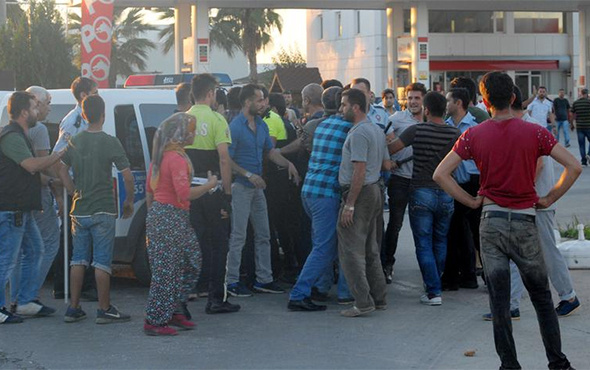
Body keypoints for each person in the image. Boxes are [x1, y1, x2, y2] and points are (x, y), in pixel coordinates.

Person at [433, 71, 580, 370]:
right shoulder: (534, 132)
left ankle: (509, 365)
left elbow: (440, 174)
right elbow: (574, 166)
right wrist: (549, 198)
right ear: (513, 98)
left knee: (500, 302)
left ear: (484, 101)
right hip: (525, 220)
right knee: (541, 298)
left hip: (492, 222)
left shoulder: (473, 134)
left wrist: (472, 201)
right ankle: (558, 363)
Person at [481, 85, 581, 322]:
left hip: (536, 201)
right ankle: (512, 305)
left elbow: (538, 165)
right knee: (514, 251)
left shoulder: (531, 128)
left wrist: (525, 192)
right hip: (526, 201)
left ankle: (568, 295)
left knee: (546, 250)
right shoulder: (520, 126)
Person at [59, 95, 135, 324]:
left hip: (79, 209)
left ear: (83, 115)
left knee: (78, 260)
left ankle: (73, 308)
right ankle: (104, 309)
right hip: (103, 209)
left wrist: (73, 191)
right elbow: (128, 176)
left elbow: (61, 169)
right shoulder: (111, 142)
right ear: (103, 115)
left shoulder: (75, 141)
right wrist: (128, 201)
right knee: (102, 262)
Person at [144, 113, 215, 336]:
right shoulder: (175, 159)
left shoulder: (166, 156)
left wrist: (153, 217)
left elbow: (150, 190)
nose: (194, 133)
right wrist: (210, 185)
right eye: (191, 129)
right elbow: (183, 194)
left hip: (167, 216)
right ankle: (154, 320)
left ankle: (173, 308)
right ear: (181, 133)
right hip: (170, 216)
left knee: (191, 261)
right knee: (166, 271)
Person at [226, 84, 300, 297]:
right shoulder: (235, 127)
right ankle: (231, 282)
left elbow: (270, 152)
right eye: (259, 100)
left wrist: (288, 164)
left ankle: (263, 279)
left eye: (264, 100)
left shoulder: (261, 124)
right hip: (241, 187)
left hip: (258, 188)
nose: (264, 104)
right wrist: (248, 175)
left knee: (264, 235)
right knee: (238, 236)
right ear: (247, 102)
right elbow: (226, 160)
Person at [388, 92, 460, 305]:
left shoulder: (416, 130)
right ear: (444, 110)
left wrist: (388, 139)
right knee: (440, 240)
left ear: (426, 110)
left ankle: (433, 290)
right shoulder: (455, 133)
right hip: (447, 191)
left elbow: (393, 149)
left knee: (423, 243)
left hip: (421, 191)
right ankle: (434, 284)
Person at [0, 91, 64, 324]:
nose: (39, 111)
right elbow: (31, 166)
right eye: (34, 107)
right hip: (11, 209)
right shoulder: (11, 136)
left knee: (36, 250)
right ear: (24, 112)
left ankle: (25, 302)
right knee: (6, 259)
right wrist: (58, 155)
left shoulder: (20, 135)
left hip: (22, 209)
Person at [287, 87, 352, 312]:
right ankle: (299, 293)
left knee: (321, 245)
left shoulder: (322, 125)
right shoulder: (349, 128)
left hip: (310, 190)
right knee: (325, 248)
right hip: (327, 194)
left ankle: (321, 286)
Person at [184, 74, 240, 314]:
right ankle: (216, 297)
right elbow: (224, 159)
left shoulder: (181, 120)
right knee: (219, 244)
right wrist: (227, 194)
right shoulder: (218, 119)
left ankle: (186, 293)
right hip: (212, 189)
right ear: (210, 93)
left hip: (187, 191)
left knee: (192, 242)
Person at [337, 88, 390, 317]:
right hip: (374, 190)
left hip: (361, 192)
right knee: (371, 249)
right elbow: (386, 163)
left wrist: (350, 204)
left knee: (351, 250)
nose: (341, 109)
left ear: (355, 107)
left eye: (344, 104)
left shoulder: (359, 133)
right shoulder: (376, 130)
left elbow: (359, 170)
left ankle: (362, 302)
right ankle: (378, 298)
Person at [52, 77, 99, 301]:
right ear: (83, 95)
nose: (98, 95)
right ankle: (66, 285)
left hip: (85, 183)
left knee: (81, 237)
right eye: (94, 91)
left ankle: (74, 285)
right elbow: (60, 153)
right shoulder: (74, 121)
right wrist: (69, 189)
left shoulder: (84, 118)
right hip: (75, 185)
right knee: (73, 238)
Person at [381, 82, 426, 284]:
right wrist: (388, 161)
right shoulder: (396, 119)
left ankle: (427, 269)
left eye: (417, 98)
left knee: (422, 227)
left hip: (423, 180)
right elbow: (382, 141)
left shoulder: (433, 119)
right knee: (395, 224)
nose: (413, 102)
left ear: (424, 99)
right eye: (409, 98)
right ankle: (386, 264)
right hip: (399, 179)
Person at [442, 87, 480, 291]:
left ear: (458, 103)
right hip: (454, 184)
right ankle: (455, 278)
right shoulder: (446, 125)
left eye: (448, 100)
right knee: (454, 231)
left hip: (474, 183)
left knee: (477, 232)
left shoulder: (473, 127)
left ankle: (479, 277)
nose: (446, 104)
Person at [571, 88, 590, 166]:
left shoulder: (576, 103)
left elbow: (572, 114)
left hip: (579, 127)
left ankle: (583, 161)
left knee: (581, 144)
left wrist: (572, 124)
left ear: (580, 93)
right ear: (587, 94)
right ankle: (589, 154)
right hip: (589, 126)